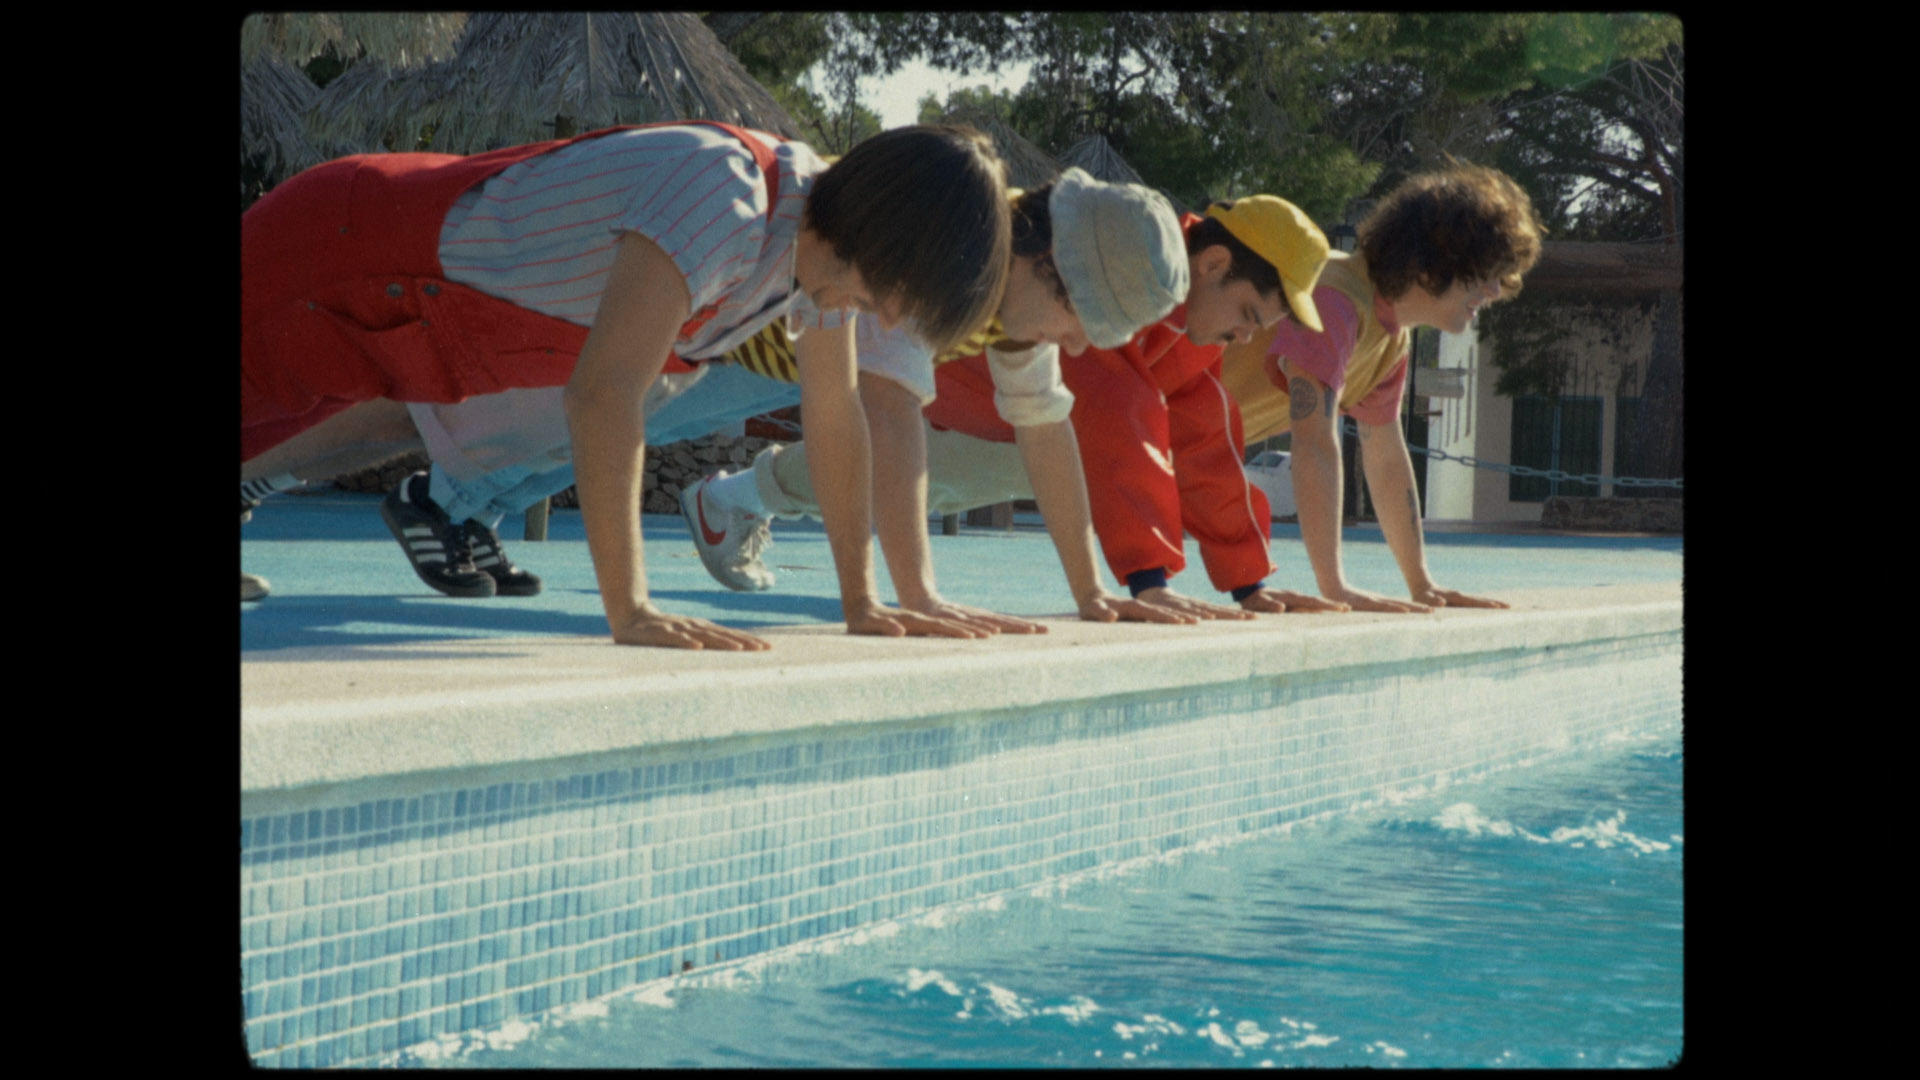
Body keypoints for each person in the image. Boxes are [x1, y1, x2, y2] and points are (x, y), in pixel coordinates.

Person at [242, 122, 1012, 651]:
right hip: (342, 247)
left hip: (407, 318)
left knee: (357, 421)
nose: (882, 317)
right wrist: (632, 608)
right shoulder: (727, 196)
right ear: (880, 233)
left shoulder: (809, 265)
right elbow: (603, 397)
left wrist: (866, 601)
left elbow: (836, 414)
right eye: (890, 294)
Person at [691, 193, 1350, 621]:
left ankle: (733, 497)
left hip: (911, 358)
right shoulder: (1117, 263)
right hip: (780, 307)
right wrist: (1148, 581)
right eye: (1248, 315)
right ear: (1213, 263)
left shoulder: (1171, 317)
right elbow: (1116, 411)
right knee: (683, 382)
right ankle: (734, 494)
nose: (1246, 338)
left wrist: (1245, 582)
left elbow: (1199, 436)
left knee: (953, 460)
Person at [1218, 160, 1543, 612]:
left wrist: (1421, 584)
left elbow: (1386, 459)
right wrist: (1335, 587)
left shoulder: (1390, 338)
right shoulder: (1336, 300)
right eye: (1485, 272)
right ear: (1432, 263)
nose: (1494, 290)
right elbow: (1313, 441)